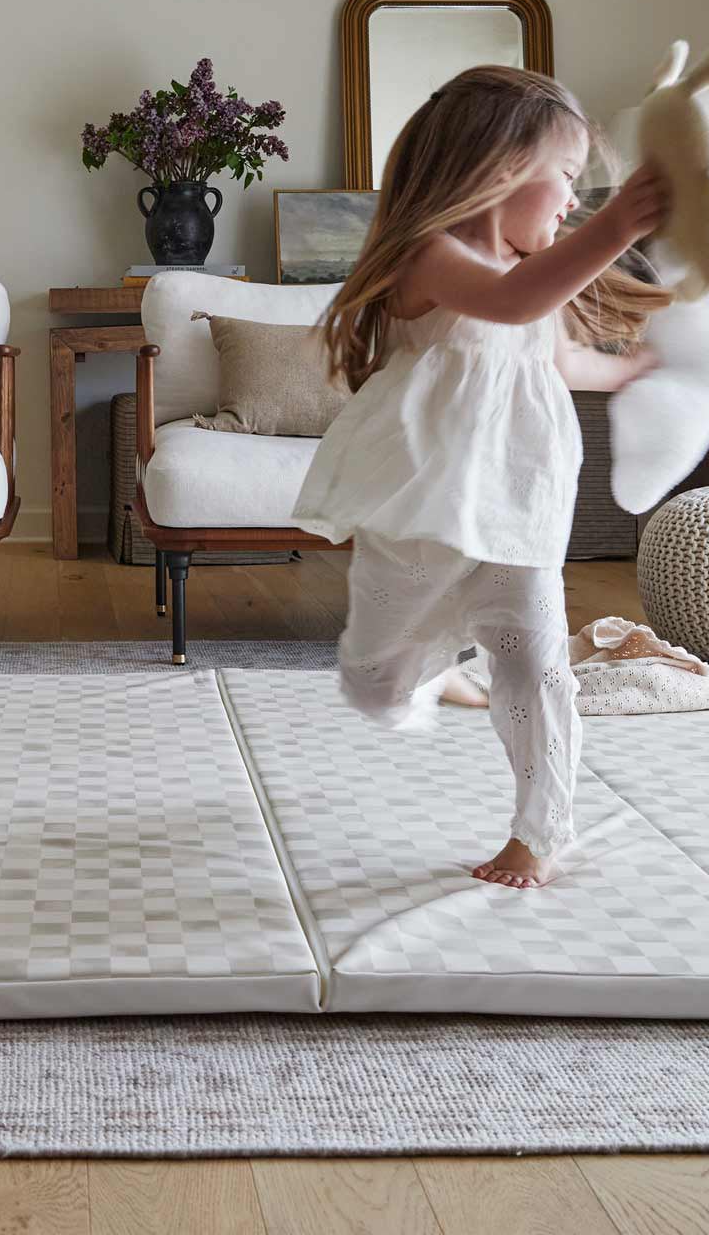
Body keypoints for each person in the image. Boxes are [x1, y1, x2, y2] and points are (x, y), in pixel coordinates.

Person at [292, 66, 672, 888]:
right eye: (566, 179)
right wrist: (615, 228)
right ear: (495, 168)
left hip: (517, 496)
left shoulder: (533, 279)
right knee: (375, 677)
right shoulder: (436, 259)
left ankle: (541, 830)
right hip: (427, 498)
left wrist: (642, 368)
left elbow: (562, 359)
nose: (573, 202)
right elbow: (511, 306)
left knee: (535, 660)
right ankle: (426, 669)